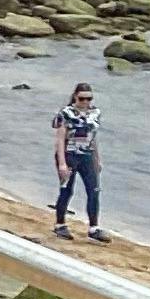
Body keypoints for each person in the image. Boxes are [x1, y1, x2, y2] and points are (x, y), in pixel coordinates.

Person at [52, 86, 106, 240]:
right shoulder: (66, 113)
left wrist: (97, 159)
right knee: (67, 190)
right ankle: (60, 224)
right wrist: (62, 163)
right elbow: (60, 139)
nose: (85, 102)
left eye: (88, 99)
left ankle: (94, 227)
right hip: (70, 154)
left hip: (87, 155)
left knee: (94, 190)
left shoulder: (95, 113)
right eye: (82, 98)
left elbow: (93, 138)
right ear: (75, 97)